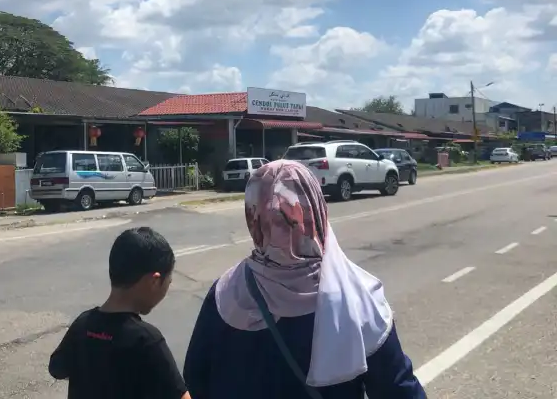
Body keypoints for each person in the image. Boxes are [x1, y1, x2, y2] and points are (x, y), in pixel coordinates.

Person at [183, 160, 427, 399]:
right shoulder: (356, 298)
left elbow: (196, 380)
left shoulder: (227, 294)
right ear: (317, 213)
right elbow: (397, 389)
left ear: (253, 216)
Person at [48, 227, 191, 399]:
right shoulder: (147, 340)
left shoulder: (83, 324)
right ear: (154, 281)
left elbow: (57, 369)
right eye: (168, 281)